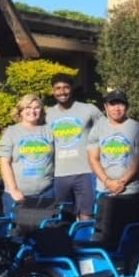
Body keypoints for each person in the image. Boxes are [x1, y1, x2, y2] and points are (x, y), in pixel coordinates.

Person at [87, 90, 139, 226]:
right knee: (105, 233)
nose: (117, 108)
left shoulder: (136, 128)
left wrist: (122, 182)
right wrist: (108, 182)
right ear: (106, 107)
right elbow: (93, 158)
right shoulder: (98, 128)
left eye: (120, 104)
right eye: (112, 104)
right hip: (104, 191)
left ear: (126, 107)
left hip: (130, 191)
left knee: (130, 234)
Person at [47, 73, 101, 221]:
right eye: (58, 88)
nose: (62, 92)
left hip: (86, 172)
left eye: (66, 87)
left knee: (87, 215)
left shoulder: (89, 109)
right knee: (62, 216)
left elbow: (106, 130)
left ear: (71, 89)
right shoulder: (46, 114)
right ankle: (64, 244)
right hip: (59, 174)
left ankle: (84, 243)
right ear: (53, 91)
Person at [0, 93, 55, 217]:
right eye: (28, 108)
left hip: (46, 193)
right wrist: (13, 190)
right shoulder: (11, 132)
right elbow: (4, 162)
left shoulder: (49, 130)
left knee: (44, 232)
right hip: (18, 196)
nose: (32, 111)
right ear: (21, 111)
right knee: (18, 233)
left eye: (36, 107)